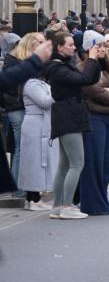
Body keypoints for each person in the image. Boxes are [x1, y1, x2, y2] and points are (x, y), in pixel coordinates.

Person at [42, 28, 104, 220]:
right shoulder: (58, 68)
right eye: (70, 45)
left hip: (66, 116)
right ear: (59, 47)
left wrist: (97, 61)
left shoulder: (61, 66)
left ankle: (57, 206)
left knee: (64, 164)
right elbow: (84, 79)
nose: (74, 47)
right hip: (68, 117)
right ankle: (67, 206)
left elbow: (89, 79)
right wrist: (92, 59)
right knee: (77, 163)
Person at [79, 39, 109, 216]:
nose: (101, 49)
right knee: (95, 162)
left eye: (102, 46)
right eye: (97, 46)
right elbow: (91, 90)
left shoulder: (107, 69)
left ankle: (102, 199)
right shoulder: (83, 68)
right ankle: (92, 203)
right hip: (94, 117)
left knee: (107, 163)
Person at [6, 32, 45, 207]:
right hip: (18, 108)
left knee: (24, 148)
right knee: (22, 148)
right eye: (40, 41)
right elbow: (9, 88)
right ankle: (19, 187)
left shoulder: (32, 61)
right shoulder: (15, 61)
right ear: (30, 43)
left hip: (28, 107)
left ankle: (24, 187)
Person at [19, 71, 56, 210]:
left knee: (36, 163)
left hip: (40, 124)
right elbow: (45, 102)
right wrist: (58, 91)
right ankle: (32, 199)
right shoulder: (31, 84)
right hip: (35, 126)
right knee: (33, 163)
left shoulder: (38, 83)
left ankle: (34, 198)